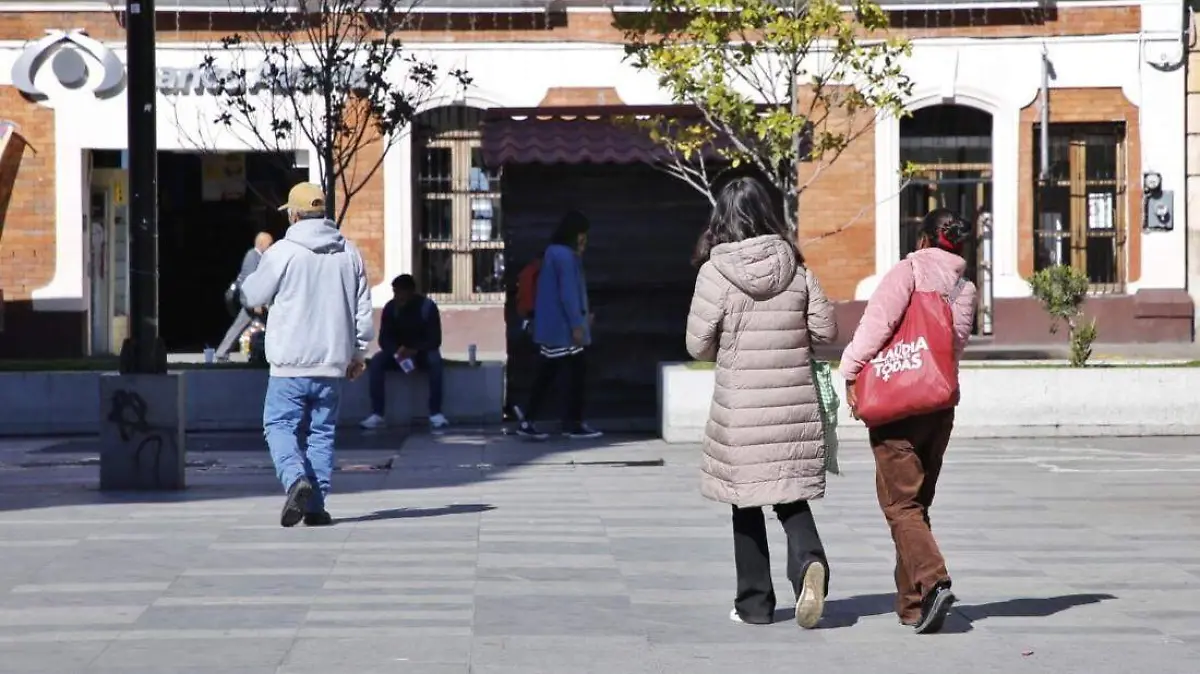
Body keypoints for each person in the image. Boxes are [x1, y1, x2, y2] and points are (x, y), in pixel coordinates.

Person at [684, 175, 837, 629]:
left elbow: (696, 344)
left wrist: (728, 347)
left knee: (745, 502)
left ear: (722, 221)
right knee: (790, 495)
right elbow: (826, 332)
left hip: (743, 407)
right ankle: (810, 561)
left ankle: (754, 605)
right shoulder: (796, 268)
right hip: (793, 406)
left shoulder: (715, 273)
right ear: (767, 213)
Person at [840, 208, 978, 634]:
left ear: (923, 239)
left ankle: (935, 581)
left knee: (901, 505)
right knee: (915, 506)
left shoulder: (909, 270)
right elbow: (953, 347)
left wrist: (849, 370)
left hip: (895, 404)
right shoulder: (965, 288)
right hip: (938, 406)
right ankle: (912, 605)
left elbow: (876, 324)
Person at [240, 183, 374, 528]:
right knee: (322, 432)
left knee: (279, 424)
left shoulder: (283, 252)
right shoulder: (349, 252)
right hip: (332, 361)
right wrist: (358, 352)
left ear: (295, 214)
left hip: (289, 362)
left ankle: (295, 478)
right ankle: (315, 506)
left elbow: (253, 292)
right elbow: (362, 308)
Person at [514, 211, 602, 440]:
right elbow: (569, 294)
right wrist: (578, 323)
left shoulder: (554, 253)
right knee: (567, 374)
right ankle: (569, 423)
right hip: (563, 330)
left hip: (554, 327)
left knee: (553, 373)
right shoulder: (565, 257)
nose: (585, 239)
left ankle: (538, 421)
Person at [359, 274, 448, 432]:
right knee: (377, 361)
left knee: (435, 361)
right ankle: (377, 413)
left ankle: (436, 413)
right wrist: (397, 351)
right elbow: (384, 338)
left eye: (401, 292)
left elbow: (435, 339)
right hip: (398, 353)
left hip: (421, 352)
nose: (398, 296)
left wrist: (415, 349)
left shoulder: (427, 307)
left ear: (411, 292)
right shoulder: (391, 308)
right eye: (395, 292)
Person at [217, 231, 273, 360]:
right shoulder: (252, 256)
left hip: (256, 301)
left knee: (240, 326)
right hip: (252, 301)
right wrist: (255, 303)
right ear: (261, 244)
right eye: (270, 244)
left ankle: (223, 352)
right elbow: (248, 281)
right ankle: (222, 353)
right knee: (239, 326)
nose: (272, 246)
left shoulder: (261, 257)